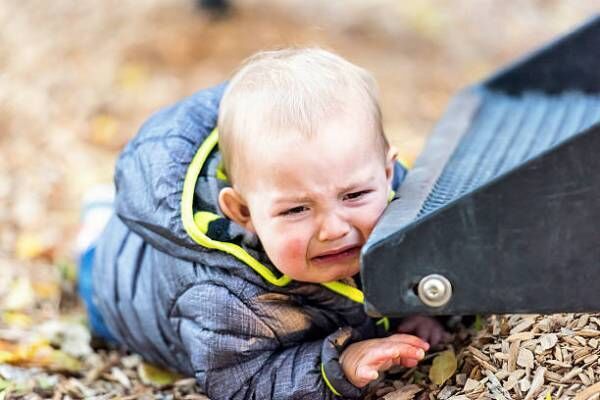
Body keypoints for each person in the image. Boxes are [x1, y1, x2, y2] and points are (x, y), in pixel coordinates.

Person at [79, 48, 449, 399]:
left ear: (386, 174)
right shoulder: (223, 299)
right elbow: (242, 382)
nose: (334, 228)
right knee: (96, 275)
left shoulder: (393, 195)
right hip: (121, 288)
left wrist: (414, 304)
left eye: (353, 196)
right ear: (242, 213)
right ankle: (95, 228)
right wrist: (338, 367)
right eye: (296, 210)